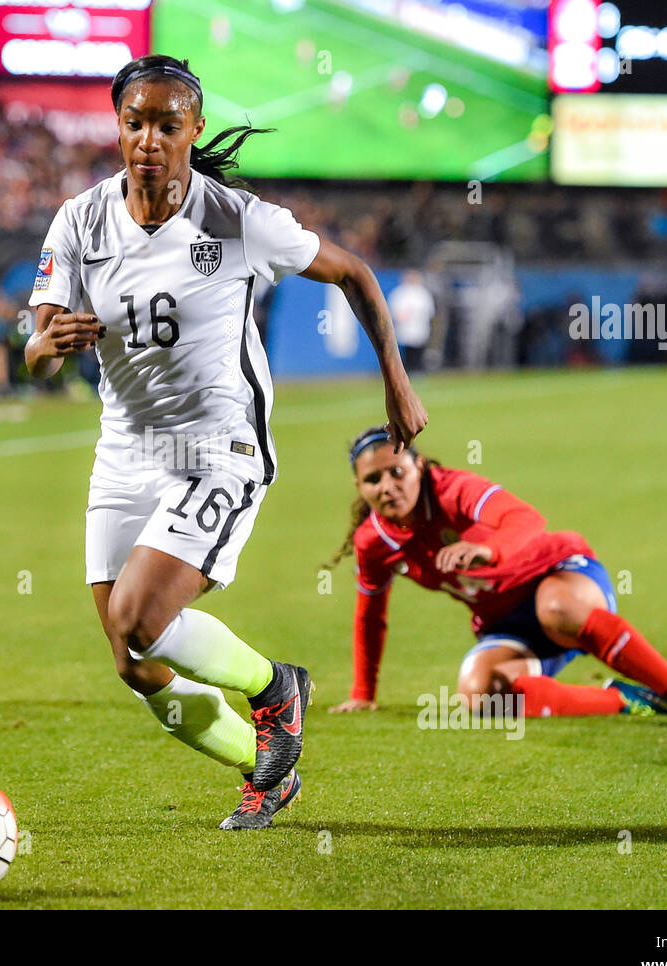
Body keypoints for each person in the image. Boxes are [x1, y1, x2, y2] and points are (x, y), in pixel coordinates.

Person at [24, 55, 426, 830]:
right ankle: (261, 770)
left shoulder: (236, 220)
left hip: (217, 449)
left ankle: (276, 687)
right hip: (125, 451)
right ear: (117, 127)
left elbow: (356, 276)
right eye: (135, 122)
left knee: (141, 615)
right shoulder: (79, 220)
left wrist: (396, 383)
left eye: (167, 125)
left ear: (193, 131)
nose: (149, 139)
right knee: (134, 663)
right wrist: (49, 345)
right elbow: (33, 347)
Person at [325, 428, 667, 725]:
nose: (388, 486)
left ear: (417, 464)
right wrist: (363, 694)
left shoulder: (452, 490)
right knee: (478, 691)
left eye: (396, 471)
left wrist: (489, 549)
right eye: (373, 480)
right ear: (359, 487)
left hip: (565, 581)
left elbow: (526, 518)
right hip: (508, 622)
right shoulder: (374, 540)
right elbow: (370, 615)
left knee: (556, 608)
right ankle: (623, 701)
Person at [387, 269, 434, 372]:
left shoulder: (422, 293)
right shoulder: (400, 293)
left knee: (418, 351)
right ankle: (406, 371)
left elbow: (429, 311)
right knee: (406, 352)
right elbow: (395, 310)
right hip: (405, 328)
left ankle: (417, 370)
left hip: (419, 327)